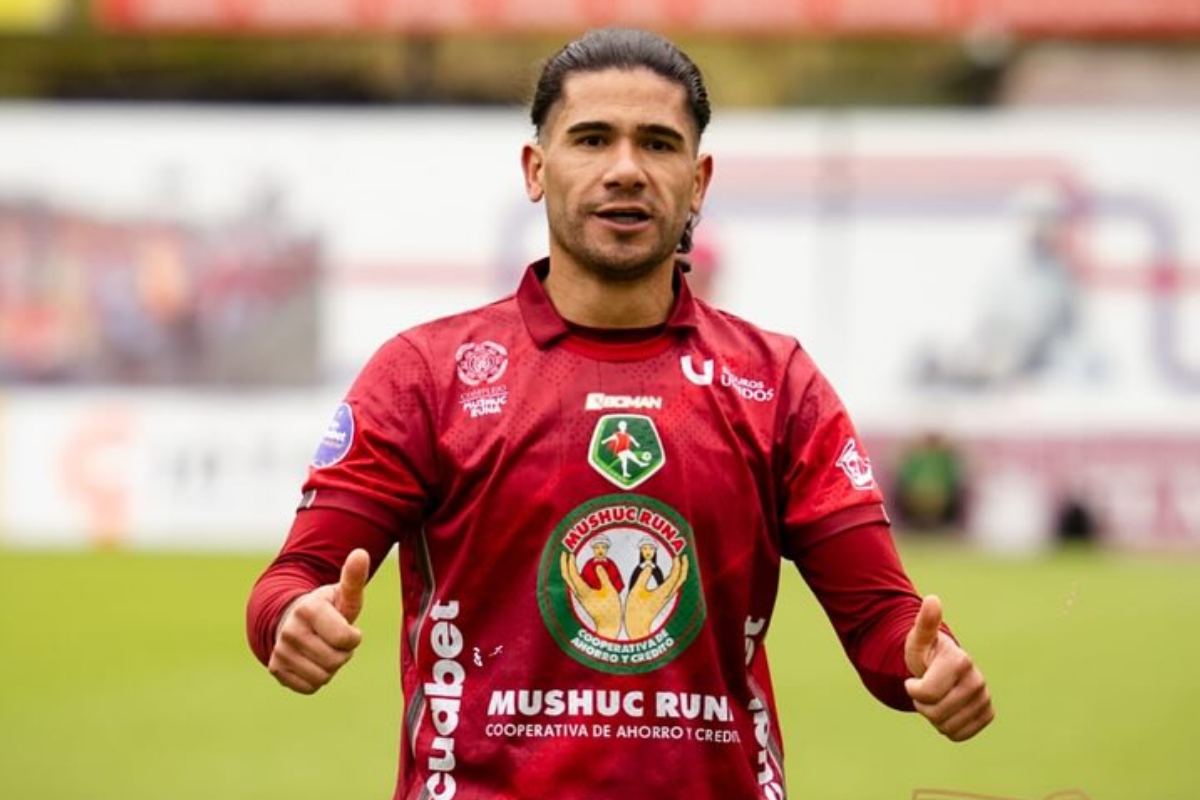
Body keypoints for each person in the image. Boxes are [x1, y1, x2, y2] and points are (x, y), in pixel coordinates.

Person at [246, 28, 993, 800]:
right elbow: (292, 579)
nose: (626, 169)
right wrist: (290, 618)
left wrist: (925, 661)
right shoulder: (428, 375)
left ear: (698, 181)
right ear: (537, 169)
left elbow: (880, 619)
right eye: (592, 139)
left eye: (658, 144)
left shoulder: (776, 384)